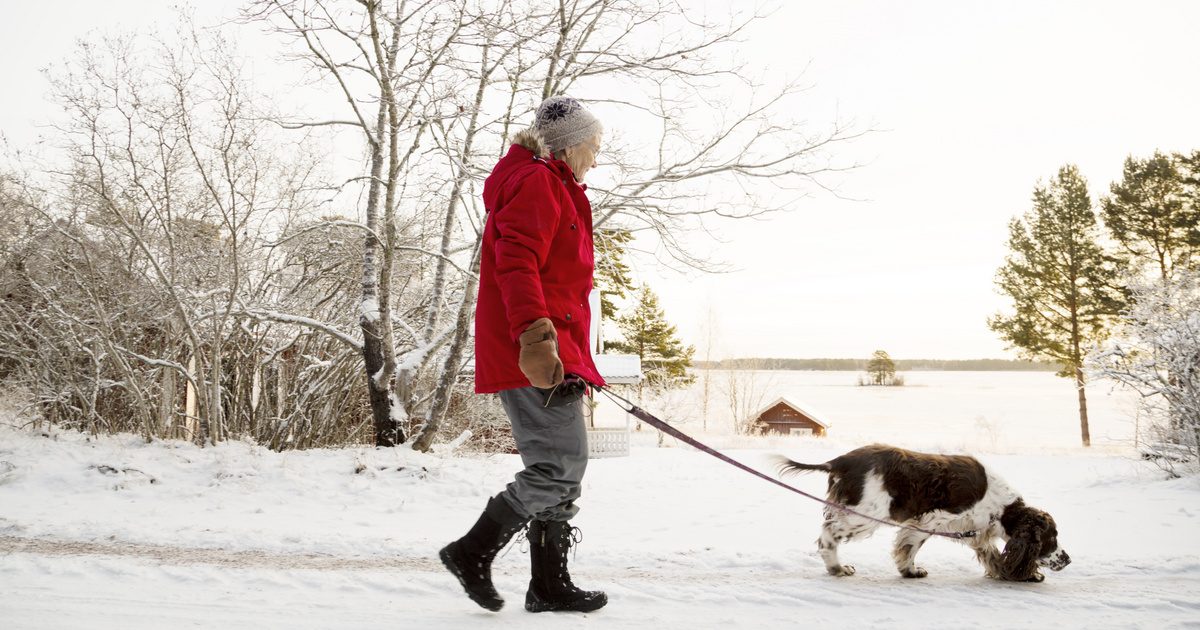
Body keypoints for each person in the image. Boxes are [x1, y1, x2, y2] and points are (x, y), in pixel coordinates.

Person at [439, 96, 609, 613]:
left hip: (555, 346)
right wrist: (535, 338)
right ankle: (471, 552)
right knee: (558, 465)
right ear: (571, 145)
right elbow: (516, 264)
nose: (597, 158)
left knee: (564, 465)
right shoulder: (537, 182)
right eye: (594, 147)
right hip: (533, 348)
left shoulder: (553, 184)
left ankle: (548, 586)